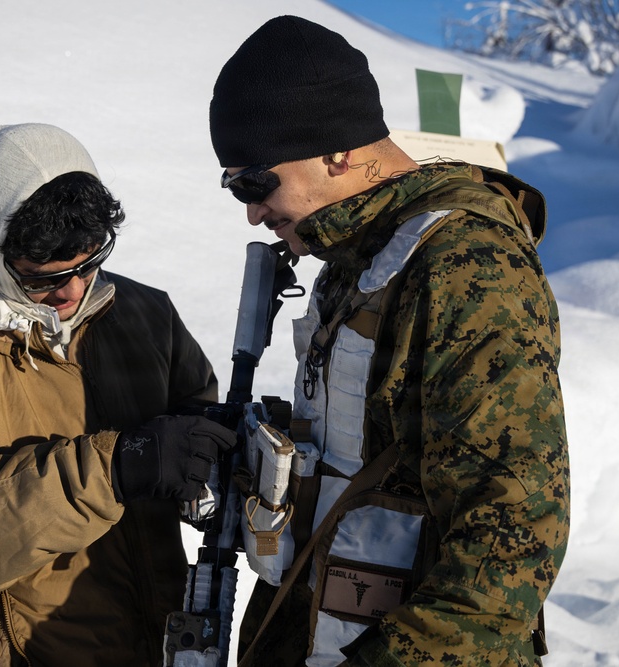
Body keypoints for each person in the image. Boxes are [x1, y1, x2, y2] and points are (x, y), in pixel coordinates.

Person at [208, 16, 570, 666]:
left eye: (255, 182)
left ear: (336, 152)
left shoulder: (466, 263)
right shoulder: (357, 261)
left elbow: (513, 529)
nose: (251, 210)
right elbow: (372, 457)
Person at [0, 123, 236, 667]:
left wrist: (217, 456)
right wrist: (116, 469)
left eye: (88, 264)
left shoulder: (142, 313)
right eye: (43, 280)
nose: (74, 291)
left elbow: (196, 413)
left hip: (161, 643)